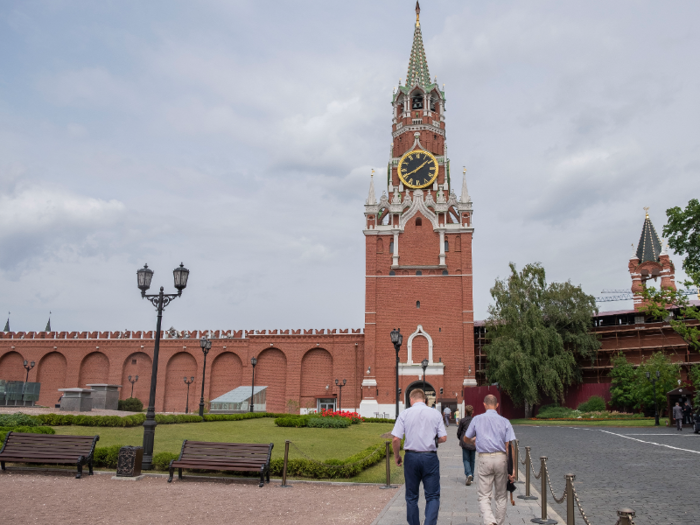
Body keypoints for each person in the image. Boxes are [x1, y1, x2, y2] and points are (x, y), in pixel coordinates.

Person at [392, 388, 447, 525]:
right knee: (433, 495)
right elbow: (443, 437)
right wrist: (434, 441)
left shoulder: (405, 413)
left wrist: (397, 456)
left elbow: (395, 439)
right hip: (430, 457)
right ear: (424, 400)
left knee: (411, 496)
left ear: (411, 400)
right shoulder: (435, 414)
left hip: (411, 457)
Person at [463, 395, 516, 525]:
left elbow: (465, 438)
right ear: (497, 405)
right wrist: (513, 468)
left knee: (484, 495)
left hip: (484, 458)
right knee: (501, 495)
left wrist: (473, 440)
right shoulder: (505, 421)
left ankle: (489, 520)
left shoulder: (477, 419)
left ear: (484, 404)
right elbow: (509, 446)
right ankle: (498, 522)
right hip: (501, 458)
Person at [456, 404, 476, 486]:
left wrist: (460, 438)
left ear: (465, 412)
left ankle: (468, 474)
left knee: (466, 460)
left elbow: (459, 432)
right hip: (473, 442)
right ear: (472, 412)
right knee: (472, 460)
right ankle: (471, 477)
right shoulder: (475, 421)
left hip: (465, 442)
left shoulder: (463, 421)